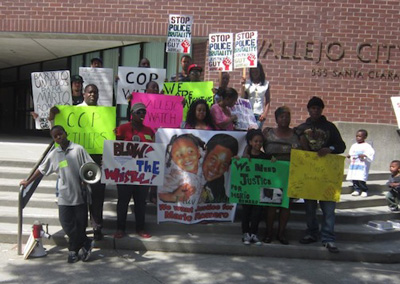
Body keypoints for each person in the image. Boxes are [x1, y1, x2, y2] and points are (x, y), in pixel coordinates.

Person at [19, 125, 94, 263]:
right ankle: (85, 242)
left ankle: (73, 251)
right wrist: (28, 181)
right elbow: (41, 170)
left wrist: (86, 180)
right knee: (66, 223)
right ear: (53, 139)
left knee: (80, 224)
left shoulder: (78, 149)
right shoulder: (54, 154)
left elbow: (90, 167)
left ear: (66, 133)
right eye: (55, 136)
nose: (59, 137)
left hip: (80, 195)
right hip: (64, 195)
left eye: (60, 134)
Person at [296, 96, 346, 253]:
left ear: (322, 110)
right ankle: (312, 233)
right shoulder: (301, 128)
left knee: (329, 208)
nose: (315, 110)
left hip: (327, 175)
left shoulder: (330, 127)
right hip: (309, 174)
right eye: (313, 108)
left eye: (318, 108)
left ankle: (328, 238)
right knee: (310, 208)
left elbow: (341, 146)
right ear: (308, 110)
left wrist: (330, 148)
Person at [114, 102, 154, 239]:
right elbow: (115, 147)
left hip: (142, 173)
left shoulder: (149, 131)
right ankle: (120, 228)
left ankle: (140, 228)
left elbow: (154, 151)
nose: (142, 115)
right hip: (125, 173)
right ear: (132, 114)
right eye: (139, 112)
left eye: (144, 112)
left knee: (141, 202)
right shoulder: (122, 129)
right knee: (123, 201)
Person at [262, 106, 301, 245]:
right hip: (273, 174)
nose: (285, 119)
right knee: (271, 204)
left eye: (287, 116)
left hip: (291, 174)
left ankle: (281, 233)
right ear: (276, 118)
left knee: (286, 205)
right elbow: (255, 145)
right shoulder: (268, 133)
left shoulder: (296, 134)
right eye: (282, 116)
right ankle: (269, 233)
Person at [158, 134, 205, 203]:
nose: (186, 158)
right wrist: (172, 197)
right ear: (173, 159)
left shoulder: (205, 170)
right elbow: (160, 193)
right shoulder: (174, 177)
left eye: (190, 152)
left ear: (199, 152)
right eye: (179, 155)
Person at [241, 129, 266, 246]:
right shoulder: (245, 157)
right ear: (250, 142)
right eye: (255, 141)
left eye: (260, 141)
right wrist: (238, 160)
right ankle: (245, 233)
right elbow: (238, 166)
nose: (258, 144)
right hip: (247, 190)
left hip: (259, 190)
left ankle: (254, 233)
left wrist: (273, 161)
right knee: (246, 211)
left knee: (257, 212)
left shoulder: (265, 157)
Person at [200, 134, 239, 203]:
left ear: (227, 168)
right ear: (205, 154)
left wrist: (242, 164)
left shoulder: (218, 182)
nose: (216, 169)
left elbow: (223, 201)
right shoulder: (184, 176)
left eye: (224, 164)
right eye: (213, 159)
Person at [240, 61, 270, 128]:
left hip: (260, 114)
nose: (255, 74)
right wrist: (242, 86)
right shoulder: (247, 83)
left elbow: (268, 100)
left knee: (257, 132)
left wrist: (265, 113)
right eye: (253, 72)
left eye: (256, 71)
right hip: (249, 113)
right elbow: (243, 98)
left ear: (260, 71)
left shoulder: (266, 84)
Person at [346, 129, 375, 197]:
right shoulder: (354, 145)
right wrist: (349, 156)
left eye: (360, 136)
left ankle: (364, 190)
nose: (358, 138)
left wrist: (364, 156)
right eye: (357, 136)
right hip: (354, 164)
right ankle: (356, 189)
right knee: (354, 178)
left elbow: (370, 154)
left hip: (362, 165)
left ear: (364, 137)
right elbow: (351, 153)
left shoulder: (367, 146)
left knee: (361, 178)